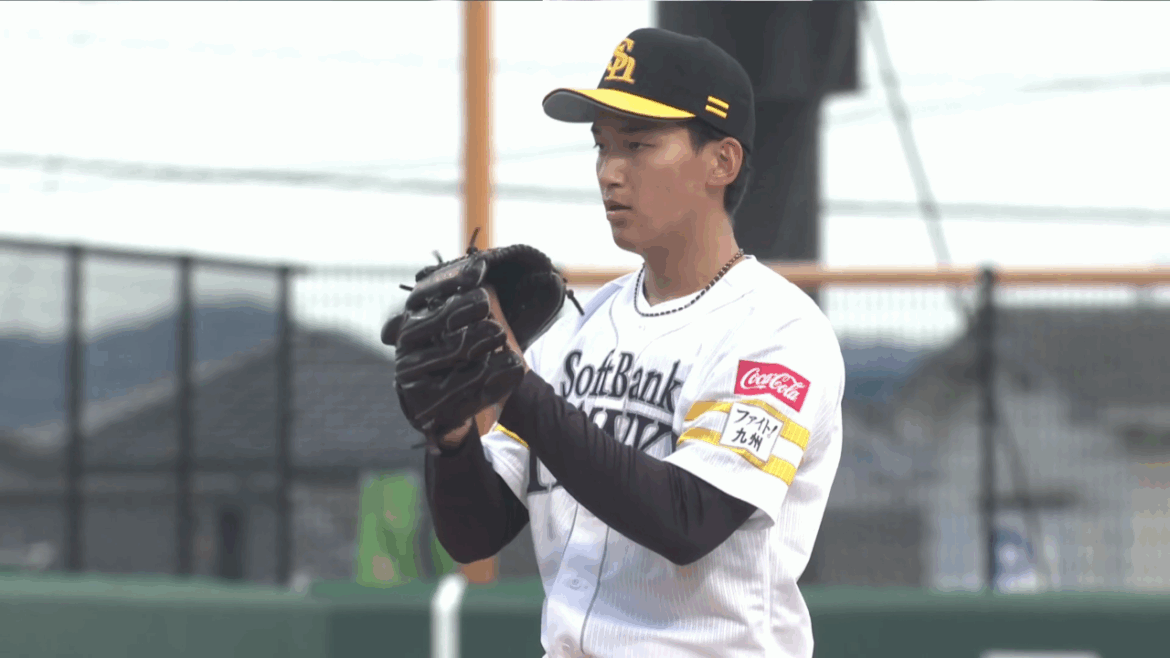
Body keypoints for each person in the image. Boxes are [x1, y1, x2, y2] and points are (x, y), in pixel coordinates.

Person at [424, 27, 844, 658]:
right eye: (602, 146)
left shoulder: (777, 329)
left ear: (721, 162)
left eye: (639, 145)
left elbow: (688, 520)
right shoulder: (577, 328)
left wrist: (515, 391)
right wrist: (449, 436)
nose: (610, 172)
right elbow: (474, 532)